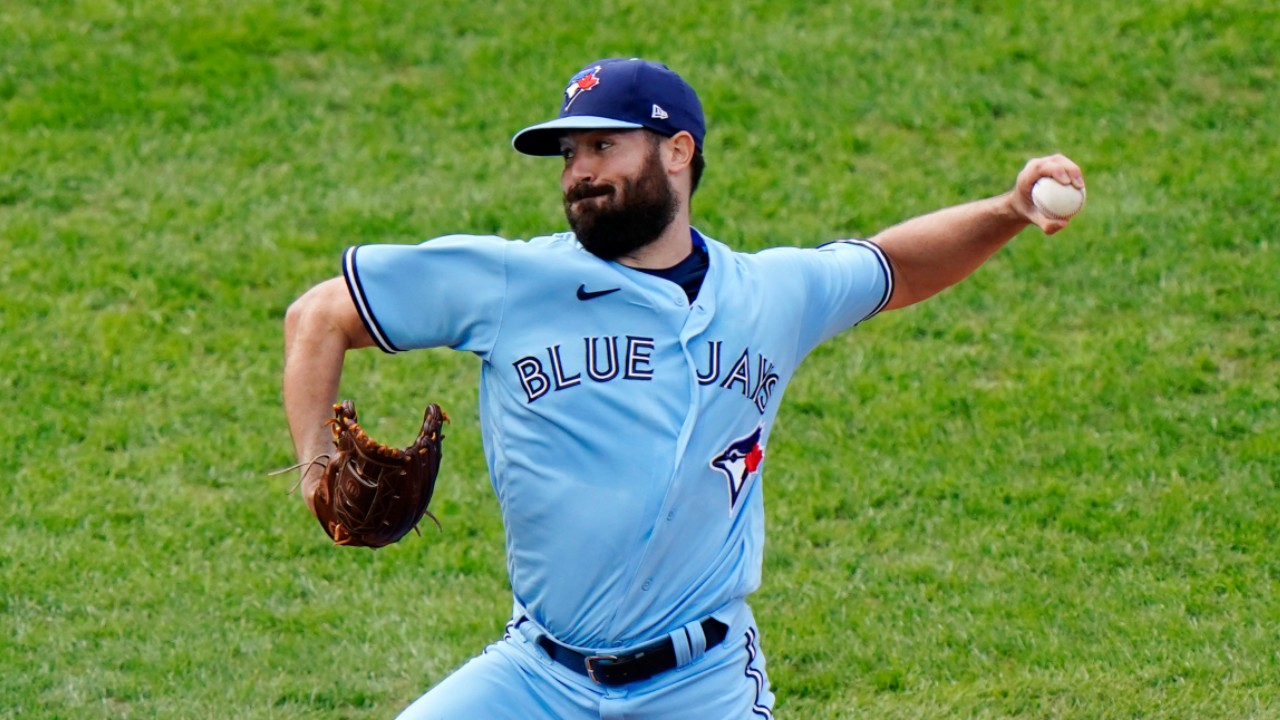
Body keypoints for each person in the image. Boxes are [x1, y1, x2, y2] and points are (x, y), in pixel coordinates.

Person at [282, 57, 1085, 719]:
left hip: (702, 688)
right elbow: (319, 315)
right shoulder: (510, 280)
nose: (580, 173)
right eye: (568, 156)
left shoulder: (770, 294)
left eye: (602, 147)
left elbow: (895, 267)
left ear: (677, 151)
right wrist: (318, 466)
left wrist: (1012, 208)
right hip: (536, 678)